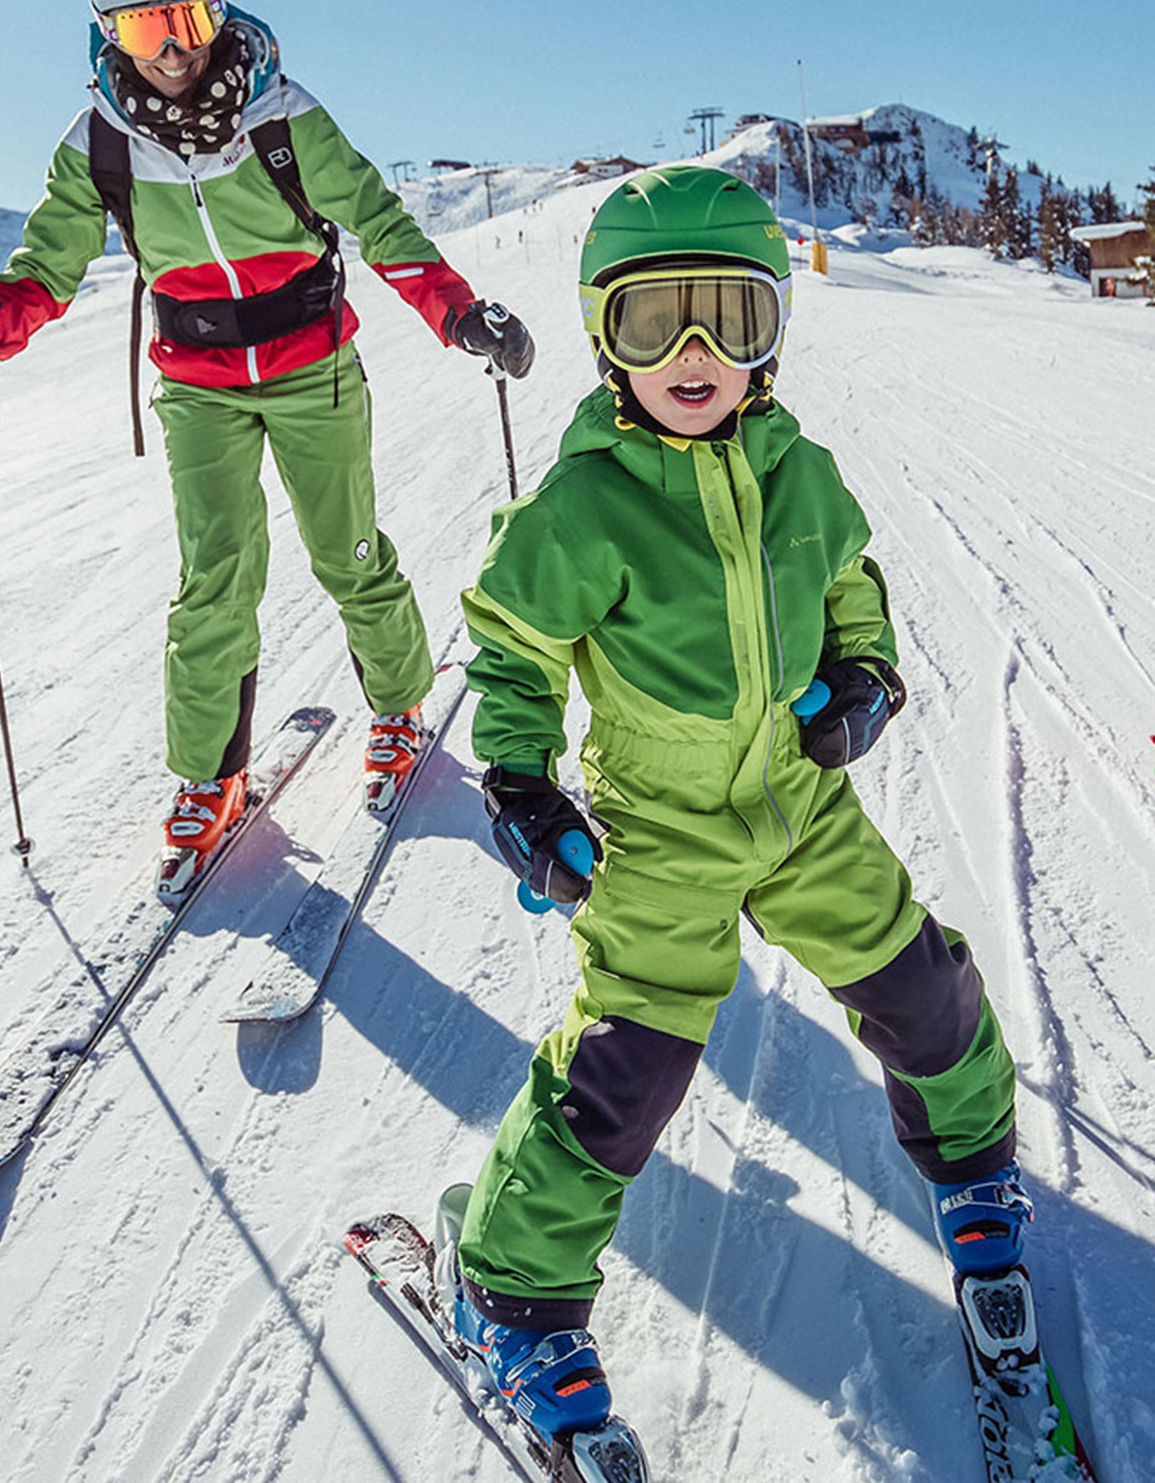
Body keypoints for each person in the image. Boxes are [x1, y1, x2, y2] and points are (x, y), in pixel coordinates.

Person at [439, 165, 1024, 1444]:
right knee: (625, 1069)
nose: (694, 353)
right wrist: (523, 774)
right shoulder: (582, 504)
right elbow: (512, 648)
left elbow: (849, 577)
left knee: (920, 988)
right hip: (658, 835)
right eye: (657, 322)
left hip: (795, 804)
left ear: (771, 334)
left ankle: (976, 1171)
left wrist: (862, 674)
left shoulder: (797, 469)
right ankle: (512, 1287)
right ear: (607, 337)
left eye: (731, 318)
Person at [0, 0, 533, 900]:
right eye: (142, 28)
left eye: (189, 17)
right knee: (214, 577)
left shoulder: (281, 116)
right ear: (106, 37)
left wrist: (460, 312)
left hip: (310, 362)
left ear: (221, 7)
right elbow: (46, 263)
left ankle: (399, 706)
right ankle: (210, 773)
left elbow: (379, 219)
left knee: (347, 552)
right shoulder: (100, 147)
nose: (172, 49)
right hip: (197, 382)